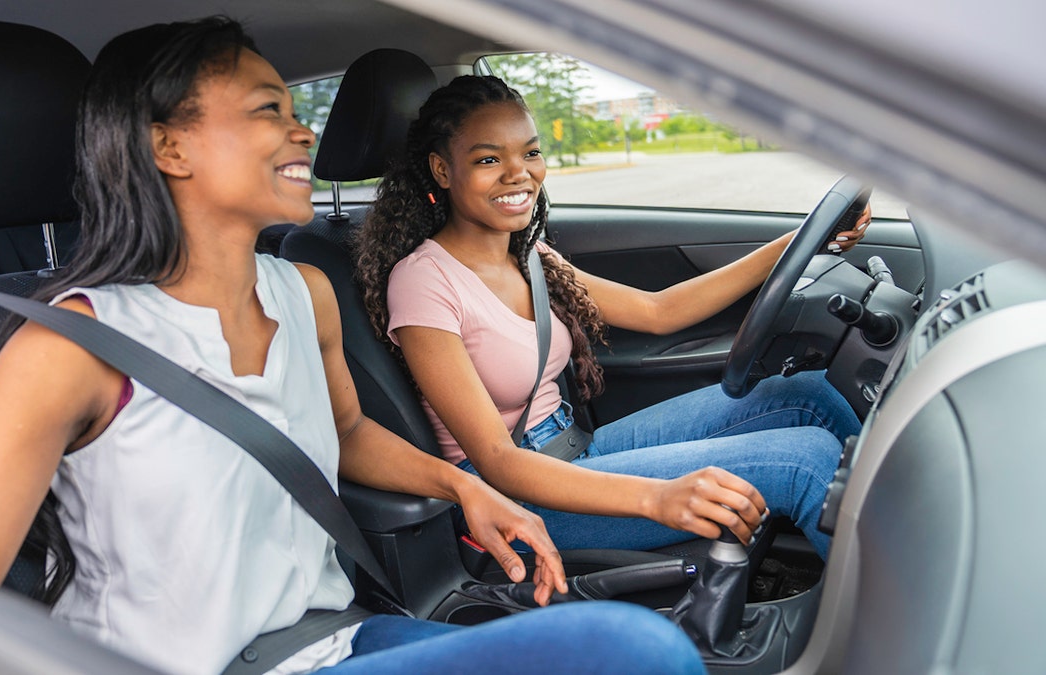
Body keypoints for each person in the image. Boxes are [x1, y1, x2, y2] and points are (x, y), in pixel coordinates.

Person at [0, 18, 708, 675]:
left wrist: (465, 488)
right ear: (168, 147)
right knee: (631, 652)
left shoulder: (303, 292)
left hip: (332, 637)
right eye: (267, 110)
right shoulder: (74, 347)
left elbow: (348, 434)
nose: (304, 128)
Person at [355, 75, 866, 559]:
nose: (520, 173)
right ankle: (894, 619)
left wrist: (799, 243)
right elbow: (498, 461)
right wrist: (655, 497)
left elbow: (658, 310)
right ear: (443, 171)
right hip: (518, 498)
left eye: (531, 152)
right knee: (802, 460)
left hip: (576, 448)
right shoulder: (423, 280)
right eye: (489, 159)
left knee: (807, 395)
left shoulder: (529, 252)